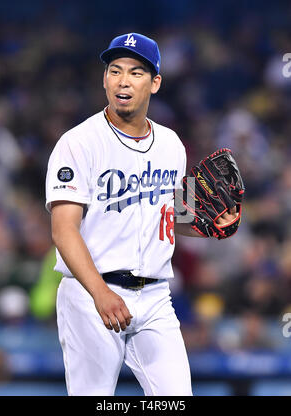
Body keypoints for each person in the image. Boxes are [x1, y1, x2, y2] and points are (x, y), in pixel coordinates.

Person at [45, 32, 237, 396]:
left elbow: (178, 215)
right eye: (115, 70)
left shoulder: (172, 144)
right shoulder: (77, 143)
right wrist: (99, 293)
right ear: (105, 80)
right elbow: (63, 231)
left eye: (136, 72)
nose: (123, 80)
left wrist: (211, 224)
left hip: (155, 297)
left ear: (155, 83)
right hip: (90, 294)